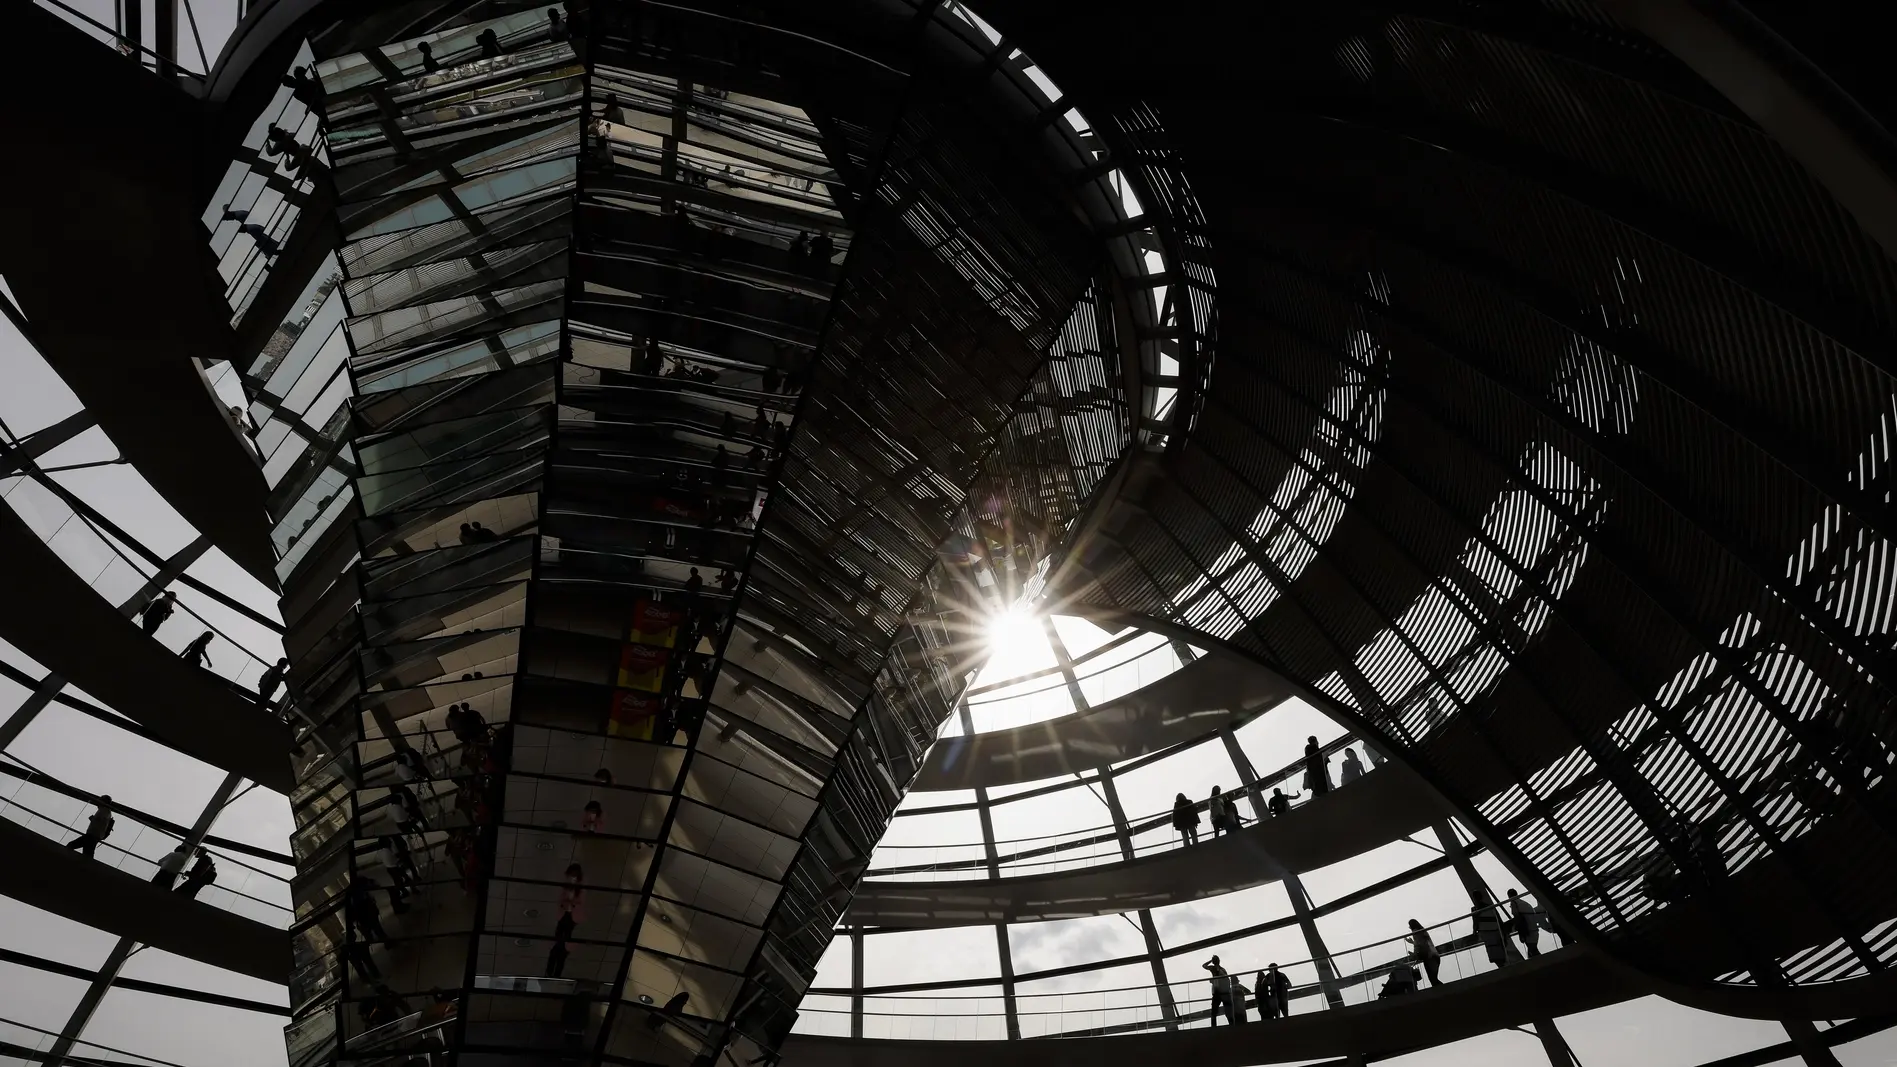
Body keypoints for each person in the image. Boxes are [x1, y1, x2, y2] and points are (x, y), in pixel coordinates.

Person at [1473, 888, 1511, 968]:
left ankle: (1502, 967)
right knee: (1498, 950)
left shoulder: (1475, 909)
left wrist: (1475, 931)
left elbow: (1475, 921)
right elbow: (1498, 919)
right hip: (1494, 931)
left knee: (1494, 952)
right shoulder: (1489, 907)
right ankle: (1503, 967)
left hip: (1488, 933)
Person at [1203, 955, 1240, 1026]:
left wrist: (1210, 961)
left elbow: (1204, 965)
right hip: (1225, 992)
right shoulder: (1223, 969)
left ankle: (1214, 1027)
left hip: (1217, 992)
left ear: (1213, 962)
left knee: (1214, 1010)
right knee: (1227, 1009)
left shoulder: (1213, 968)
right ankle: (1231, 1024)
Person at [349, 877, 390, 942]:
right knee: (377, 928)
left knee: (369, 931)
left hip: (361, 914)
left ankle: (372, 941)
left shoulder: (352, 894)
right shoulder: (362, 892)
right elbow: (376, 885)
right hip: (366, 911)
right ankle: (386, 941)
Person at [1506, 889, 1542, 958]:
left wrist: (1520, 933)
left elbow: (1517, 917)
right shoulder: (1524, 903)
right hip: (1534, 929)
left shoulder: (1514, 903)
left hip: (1528, 931)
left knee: (1533, 951)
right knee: (1532, 951)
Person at [1407, 918, 1442, 986]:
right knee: (1434, 979)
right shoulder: (1423, 931)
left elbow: (1420, 945)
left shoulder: (1416, 932)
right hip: (1435, 956)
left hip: (1429, 957)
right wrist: (1413, 942)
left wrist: (1414, 954)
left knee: (1433, 980)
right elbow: (1422, 943)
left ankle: (1445, 991)